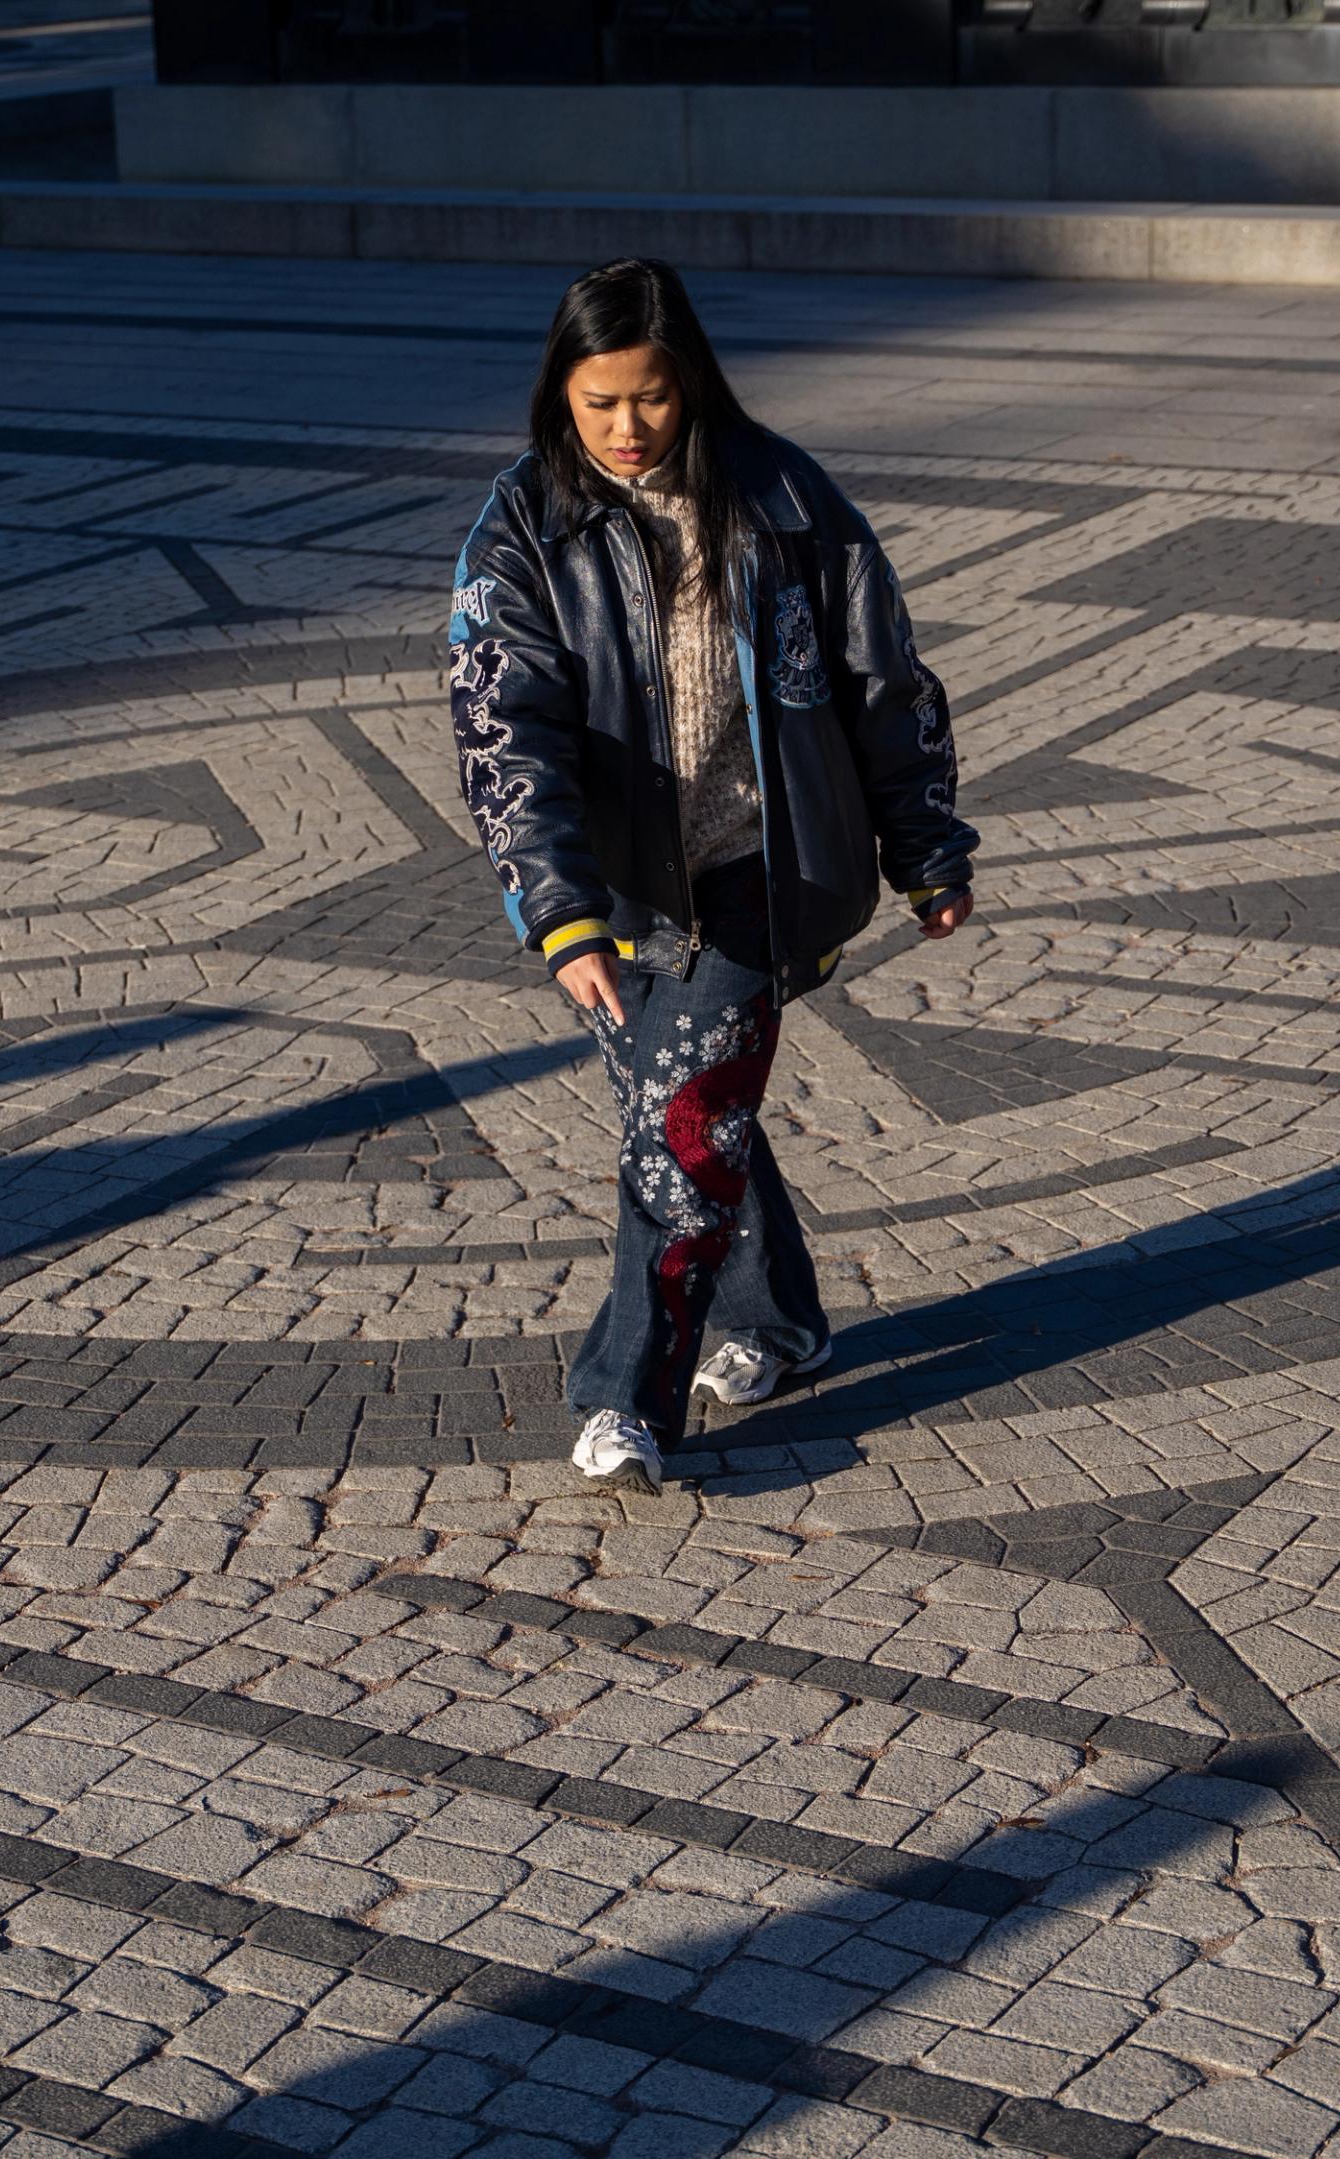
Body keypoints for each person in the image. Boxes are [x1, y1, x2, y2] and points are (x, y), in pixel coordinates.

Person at [448, 259, 978, 1495]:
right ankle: (782, 1324)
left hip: (758, 870)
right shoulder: (523, 525)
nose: (628, 429)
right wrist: (560, 912)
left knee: (680, 1130)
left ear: (692, 384)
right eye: (599, 404)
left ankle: (626, 1396)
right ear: (558, 397)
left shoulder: (785, 496)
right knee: (695, 1111)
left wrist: (926, 846)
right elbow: (500, 731)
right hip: (621, 892)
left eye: (652, 398)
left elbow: (883, 682)